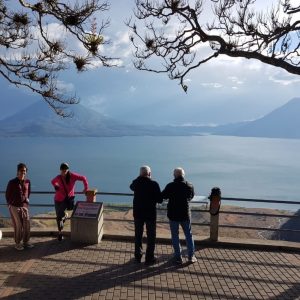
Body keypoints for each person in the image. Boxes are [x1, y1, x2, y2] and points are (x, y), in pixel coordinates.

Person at [162, 167, 197, 264]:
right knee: (189, 235)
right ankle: (191, 256)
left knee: (175, 236)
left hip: (173, 215)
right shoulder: (189, 185)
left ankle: (178, 257)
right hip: (185, 214)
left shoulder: (170, 186)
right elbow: (191, 196)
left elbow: (163, 196)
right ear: (183, 175)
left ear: (174, 175)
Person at [130, 165, 163, 265]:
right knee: (151, 236)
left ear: (140, 174)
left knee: (138, 235)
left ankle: (137, 256)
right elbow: (160, 200)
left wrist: (140, 176)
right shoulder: (154, 184)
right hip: (150, 214)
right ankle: (149, 258)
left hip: (138, 213)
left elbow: (131, 186)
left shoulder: (136, 183)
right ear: (149, 173)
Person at [51, 163, 88, 241]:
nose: (64, 172)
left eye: (65, 170)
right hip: (57, 199)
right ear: (60, 170)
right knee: (58, 217)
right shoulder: (58, 177)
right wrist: (56, 186)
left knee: (59, 216)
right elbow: (53, 181)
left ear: (67, 170)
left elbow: (83, 178)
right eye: (62, 171)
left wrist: (86, 188)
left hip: (67, 200)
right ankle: (60, 232)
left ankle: (62, 222)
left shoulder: (72, 176)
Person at [5, 163, 33, 250]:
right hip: (14, 206)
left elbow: (28, 192)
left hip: (24, 206)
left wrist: (26, 200)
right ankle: (17, 243)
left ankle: (26, 242)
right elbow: (7, 195)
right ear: (17, 171)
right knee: (18, 225)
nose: (23, 172)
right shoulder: (12, 182)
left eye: (24, 171)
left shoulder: (28, 182)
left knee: (27, 223)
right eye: (21, 171)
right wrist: (9, 204)